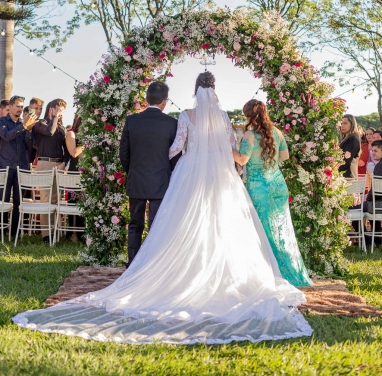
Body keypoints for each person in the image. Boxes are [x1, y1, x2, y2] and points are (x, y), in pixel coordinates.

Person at [12, 72, 313, 344]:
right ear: (215, 90)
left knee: (180, 222)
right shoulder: (222, 116)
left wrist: (161, 157)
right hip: (221, 175)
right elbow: (227, 144)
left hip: (190, 172)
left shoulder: (185, 115)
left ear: (195, 91)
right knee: (221, 221)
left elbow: (177, 147)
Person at [232, 99, 311, 287]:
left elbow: (242, 160)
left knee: (263, 231)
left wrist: (226, 149)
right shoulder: (277, 132)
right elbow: (285, 156)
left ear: (248, 115)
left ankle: (271, 273)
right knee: (282, 230)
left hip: (259, 188)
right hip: (278, 185)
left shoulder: (250, 135)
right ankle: (290, 270)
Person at [119, 81, 181, 267]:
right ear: (164, 101)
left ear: (146, 99)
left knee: (135, 225)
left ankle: (133, 265)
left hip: (136, 179)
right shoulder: (172, 124)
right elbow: (175, 156)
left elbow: (124, 153)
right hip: (161, 181)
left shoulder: (132, 121)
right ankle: (152, 266)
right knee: (156, 226)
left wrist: (132, 171)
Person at [0, 96, 37, 236]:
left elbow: (29, 147)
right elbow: (7, 137)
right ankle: (2, 232)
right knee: (2, 201)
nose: (20, 109)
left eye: (22, 107)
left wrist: (28, 131)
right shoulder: (2, 122)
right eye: (18, 106)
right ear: (10, 106)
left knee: (18, 203)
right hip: (5, 167)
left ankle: (14, 234)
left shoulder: (24, 124)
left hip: (21, 167)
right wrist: (23, 127)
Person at [35, 98, 67, 243]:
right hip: (44, 163)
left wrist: (64, 163)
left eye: (62, 111)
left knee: (55, 200)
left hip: (58, 165)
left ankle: (54, 232)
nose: (61, 113)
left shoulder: (61, 128)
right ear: (51, 109)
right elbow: (50, 132)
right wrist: (54, 117)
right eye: (59, 110)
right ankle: (46, 235)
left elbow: (66, 149)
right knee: (45, 200)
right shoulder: (40, 124)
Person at [64, 114, 85, 242]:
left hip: (87, 173)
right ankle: (72, 234)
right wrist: (87, 143)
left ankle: (83, 234)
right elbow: (74, 153)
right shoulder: (71, 134)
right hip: (74, 172)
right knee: (73, 203)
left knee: (84, 205)